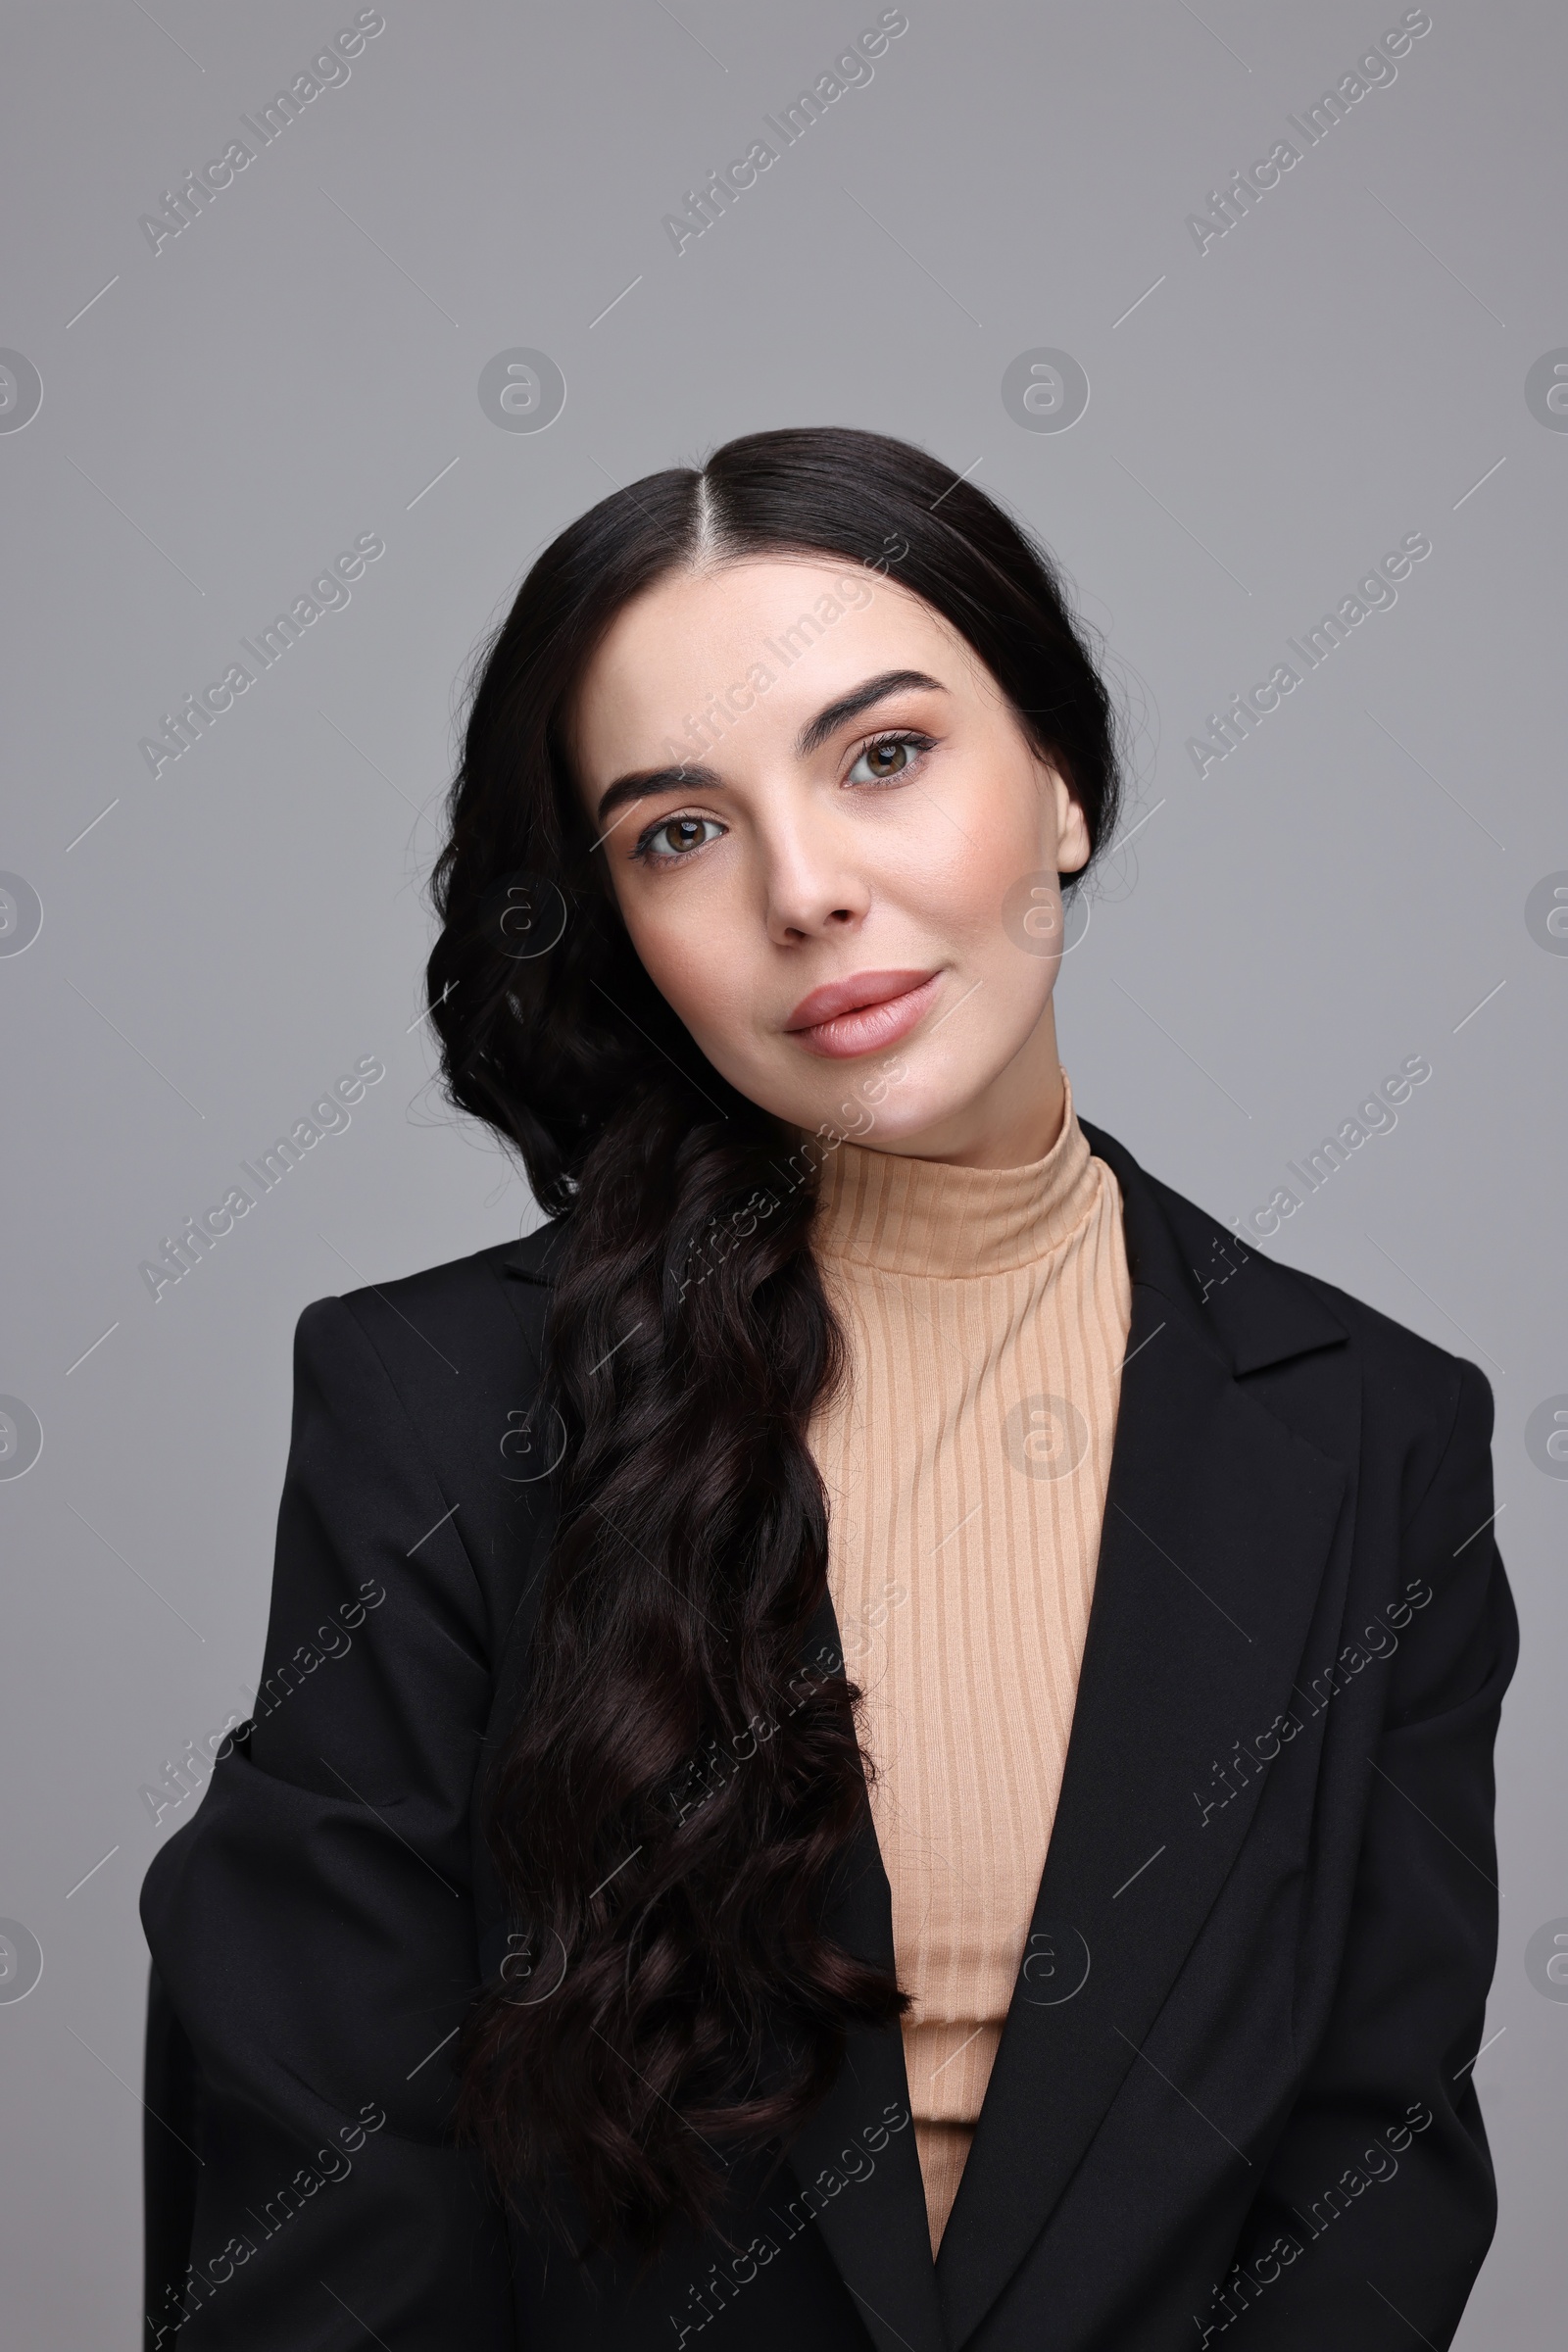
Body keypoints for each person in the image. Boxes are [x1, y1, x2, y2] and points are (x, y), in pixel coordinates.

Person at [140, 426, 1516, 2351]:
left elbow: (1365, 2173)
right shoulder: (438, 1406)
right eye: (677, 831)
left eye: (883, 756)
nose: (805, 890)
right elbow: (319, 2182)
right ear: (620, 925)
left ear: (1059, 785)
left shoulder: (1374, 1430)